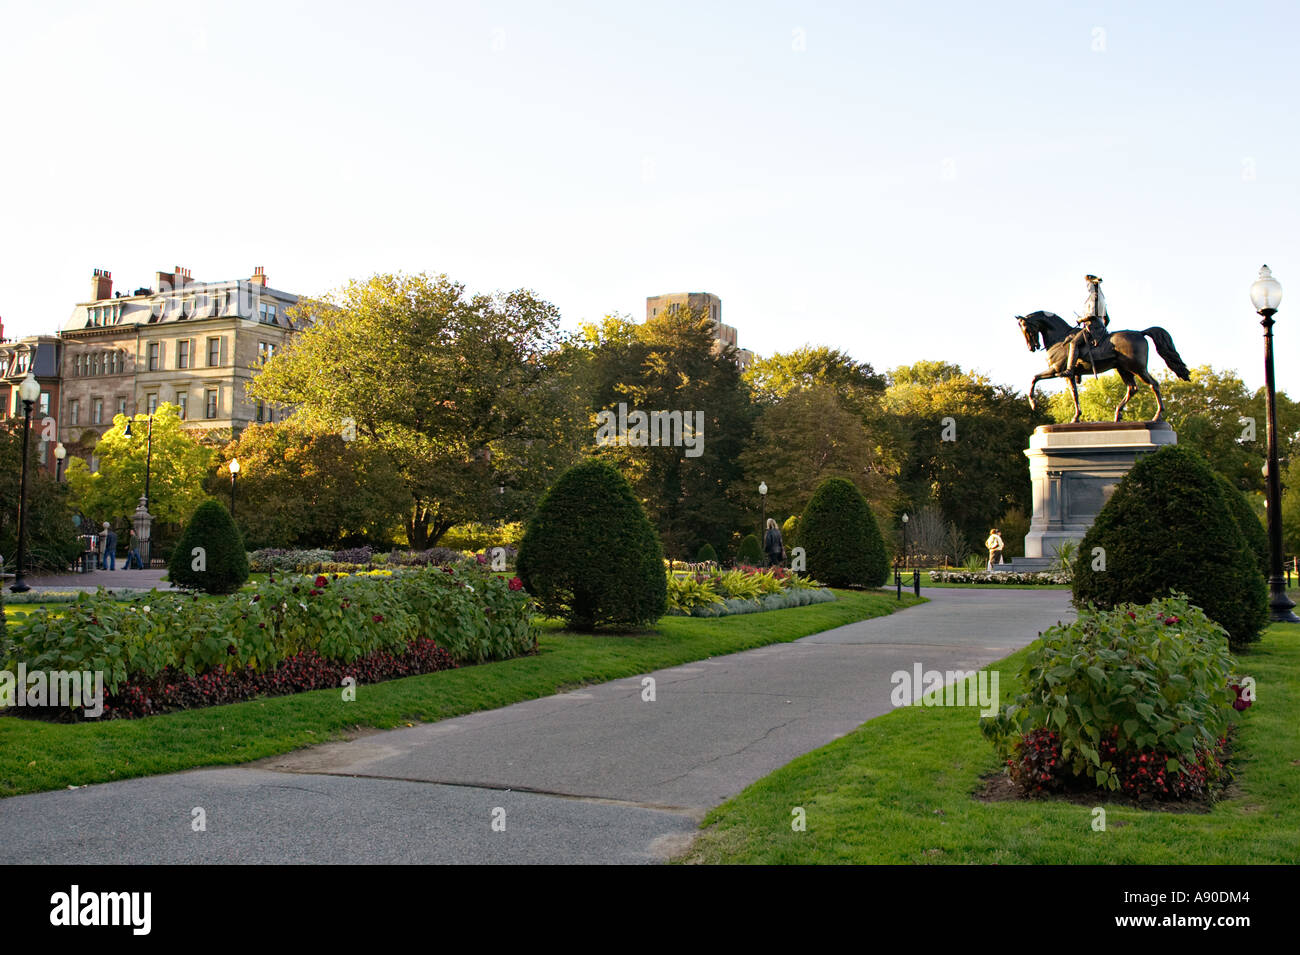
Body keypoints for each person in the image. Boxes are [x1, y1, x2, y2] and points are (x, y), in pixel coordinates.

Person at [1064, 274, 1111, 375]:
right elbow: (1107, 319)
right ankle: (1078, 369)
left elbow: (1091, 315)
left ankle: (1070, 370)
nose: (1087, 286)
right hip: (1099, 328)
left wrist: (1080, 319)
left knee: (1073, 343)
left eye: (1088, 284)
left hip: (1092, 328)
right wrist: (1103, 331)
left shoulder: (1094, 297)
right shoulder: (1101, 297)